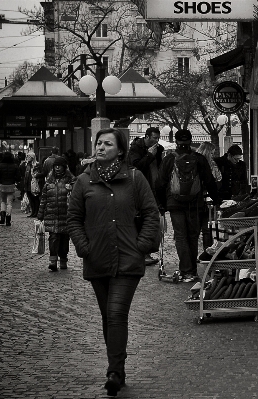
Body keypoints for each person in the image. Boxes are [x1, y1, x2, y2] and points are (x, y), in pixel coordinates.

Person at [67, 128, 160, 396]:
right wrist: (84, 247)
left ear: (120, 150)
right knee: (108, 315)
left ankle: (114, 372)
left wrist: (141, 246)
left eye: (107, 144)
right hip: (97, 259)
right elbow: (73, 218)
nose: (101, 147)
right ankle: (117, 366)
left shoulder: (134, 178)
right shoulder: (84, 181)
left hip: (128, 259)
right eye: (98, 143)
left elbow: (151, 213)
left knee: (117, 312)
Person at [155, 129, 220, 282]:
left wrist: (162, 204)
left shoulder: (169, 159)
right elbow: (209, 181)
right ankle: (192, 271)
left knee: (180, 237)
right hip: (195, 204)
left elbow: (159, 183)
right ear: (190, 141)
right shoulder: (199, 159)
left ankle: (186, 271)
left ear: (176, 142)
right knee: (192, 236)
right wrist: (217, 200)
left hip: (174, 204)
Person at [128, 127, 164, 266]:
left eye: (158, 138)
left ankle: (147, 250)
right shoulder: (136, 148)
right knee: (142, 220)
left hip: (154, 189)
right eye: (154, 138)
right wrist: (149, 155)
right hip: (142, 189)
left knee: (151, 220)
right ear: (147, 137)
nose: (156, 141)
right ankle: (142, 252)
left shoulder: (159, 149)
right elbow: (136, 167)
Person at [37, 156, 75, 272]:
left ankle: (63, 259)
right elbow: (44, 198)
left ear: (64, 167)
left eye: (60, 166)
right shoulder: (49, 181)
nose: (57, 168)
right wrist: (40, 214)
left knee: (64, 240)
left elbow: (77, 197)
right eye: (55, 166)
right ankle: (53, 261)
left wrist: (71, 189)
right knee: (53, 238)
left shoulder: (71, 180)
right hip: (51, 214)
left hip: (65, 215)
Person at [196, 141, 222, 250]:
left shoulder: (195, 162)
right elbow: (219, 179)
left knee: (197, 229)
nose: (213, 155)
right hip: (207, 199)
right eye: (212, 153)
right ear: (207, 152)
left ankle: (195, 254)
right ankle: (207, 252)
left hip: (196, 199)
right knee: (207, 228)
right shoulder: (211, 164)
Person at [0, 152, 20, 226]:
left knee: (3, 201)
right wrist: (14, 179)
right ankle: (8, 219)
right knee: (9, 203)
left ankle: (2, 215)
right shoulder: (15, 166)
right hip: (11, 185)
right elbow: (18, 177)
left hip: (2, 185)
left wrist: (0, 180)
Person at [24, 152, 41, 218]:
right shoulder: (27, 164)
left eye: (29, 157)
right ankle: (33, 212)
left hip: (34, 184)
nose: (27, 158)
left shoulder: (36, 165)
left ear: (32, 157)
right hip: (28, 184)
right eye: (27, 156)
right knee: (31, 199)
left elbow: (39, 174)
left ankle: (36, 212)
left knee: (35, 199)